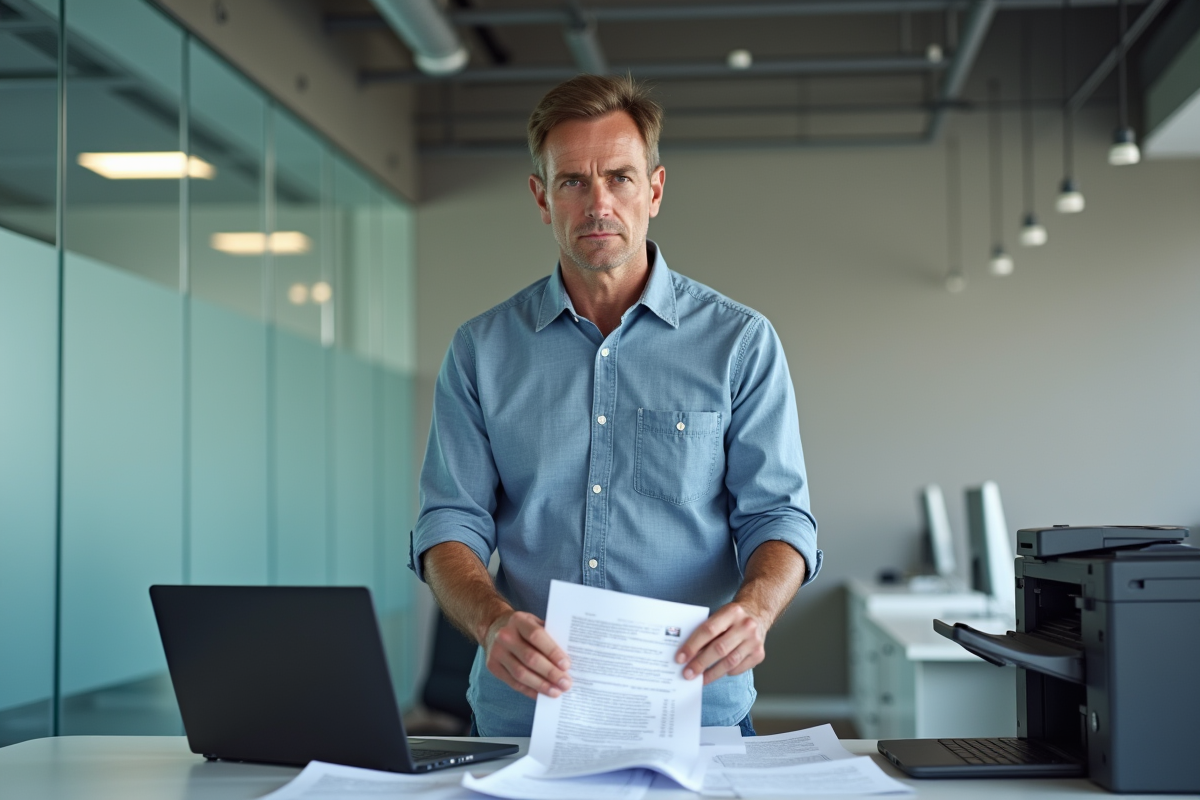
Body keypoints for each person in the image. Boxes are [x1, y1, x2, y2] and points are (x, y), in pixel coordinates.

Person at [410, 74, 821, 738]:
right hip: (526, 716)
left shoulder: (740, 343)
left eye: (620, 178)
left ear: (654, 190)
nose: (598, 202)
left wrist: (757, 610)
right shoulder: (480, 351)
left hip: (698, 713)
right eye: (572, 181)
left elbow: (779, 516)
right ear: (542, 198)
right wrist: (491, 622)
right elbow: (447, 525)